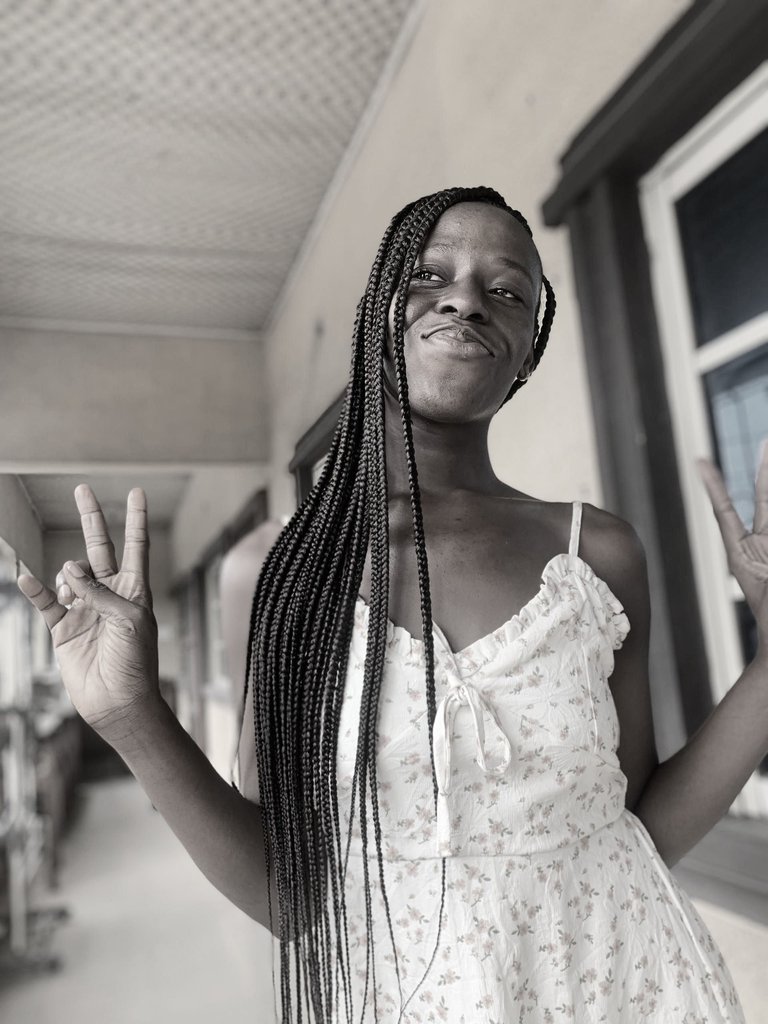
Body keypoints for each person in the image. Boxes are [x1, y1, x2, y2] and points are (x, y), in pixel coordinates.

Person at [17, 186, 766, 1023]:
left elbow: (640, 825)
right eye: (429, 273)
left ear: (528, 350)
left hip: (634, 983)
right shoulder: (275, 569)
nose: (465, 297)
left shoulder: (598, 553)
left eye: (507, 289)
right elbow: (291, 898)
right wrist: (130, 716)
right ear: (377, 315)